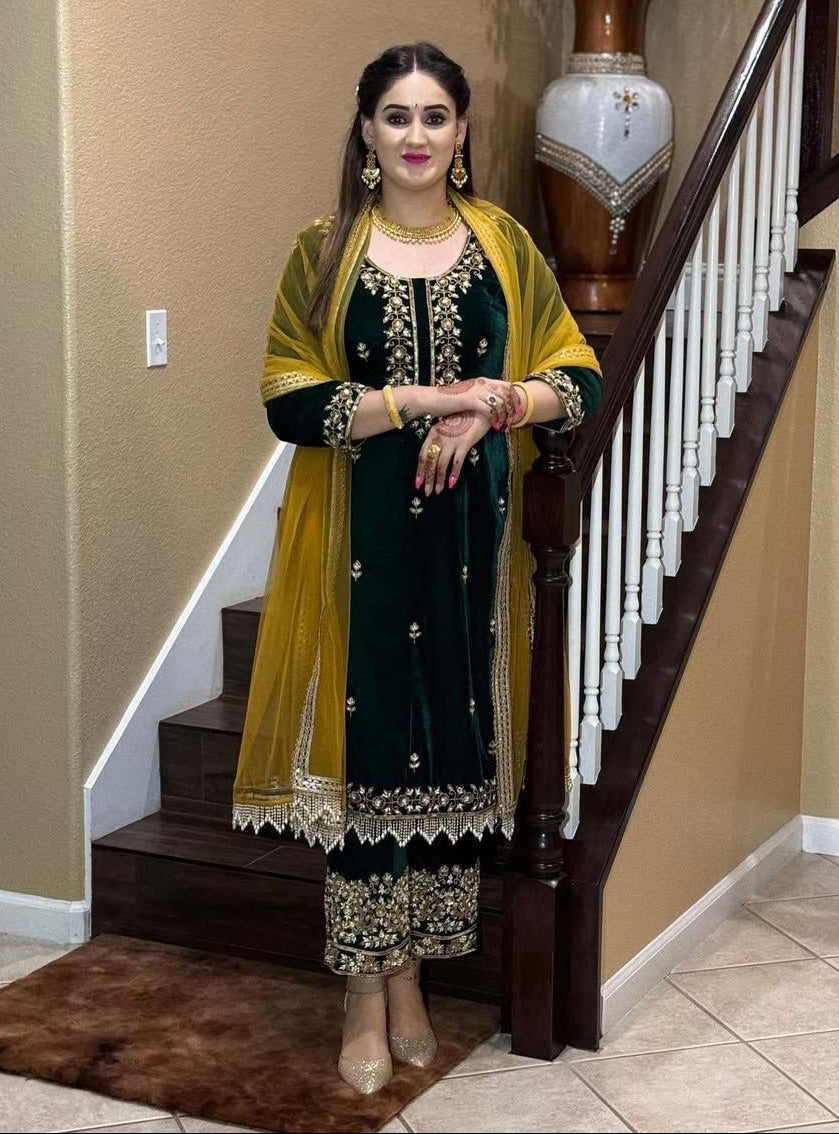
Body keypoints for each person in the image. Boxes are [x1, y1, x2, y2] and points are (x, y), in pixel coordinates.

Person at [232, 41, 603, 1094]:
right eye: (395, 116)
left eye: (435, 116)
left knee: (447, 747)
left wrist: (494, 403)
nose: (416, 136)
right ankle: (364, 984)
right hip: (360, 545)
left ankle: (412, 981)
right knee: (370, 754)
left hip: (469, 549)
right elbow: (288, 399)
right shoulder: (324, 251)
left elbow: (571, 375)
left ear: (462, 134)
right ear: (364, 134)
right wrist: (427, 403)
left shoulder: (501, 244)